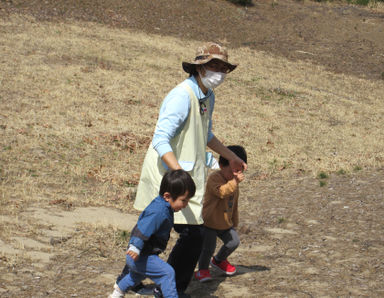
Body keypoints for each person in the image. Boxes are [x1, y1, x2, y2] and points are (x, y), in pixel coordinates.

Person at [115, 42, 247, 297]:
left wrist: (229, 157)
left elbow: (205, 134)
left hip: (184, 179)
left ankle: (128, 281)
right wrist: (179, 175)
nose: (218, 72)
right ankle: (168, 290)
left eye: (223, 68)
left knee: (157, 236)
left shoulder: (207, 95)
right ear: (199, 67)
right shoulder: (181, 96)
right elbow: (160, 139)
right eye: (213, 66)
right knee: (192, 235)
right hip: (170, 179)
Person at [109, 169, 196, 298]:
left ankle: (117, 293)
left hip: (141, 255)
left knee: (136, 275)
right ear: (167, 196)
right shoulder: (159, 211)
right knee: (167, 273)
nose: (185, 205)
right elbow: (143, 228)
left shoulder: (164, 206)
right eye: (183, 200)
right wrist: (135, 246)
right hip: (139, 254)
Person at [195, 145, 247, 282]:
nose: (235, 175)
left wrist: (234, 221)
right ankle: (203, 270)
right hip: (210, 221)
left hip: (225, 223)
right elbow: (222, 192)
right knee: (208, 248)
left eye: (238, 172)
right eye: (232, 171)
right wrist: (234, 182)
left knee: (233, 241)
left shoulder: (233, 182)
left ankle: (219, 260)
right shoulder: (215, 178)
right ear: (221, 165)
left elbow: (233, 203)